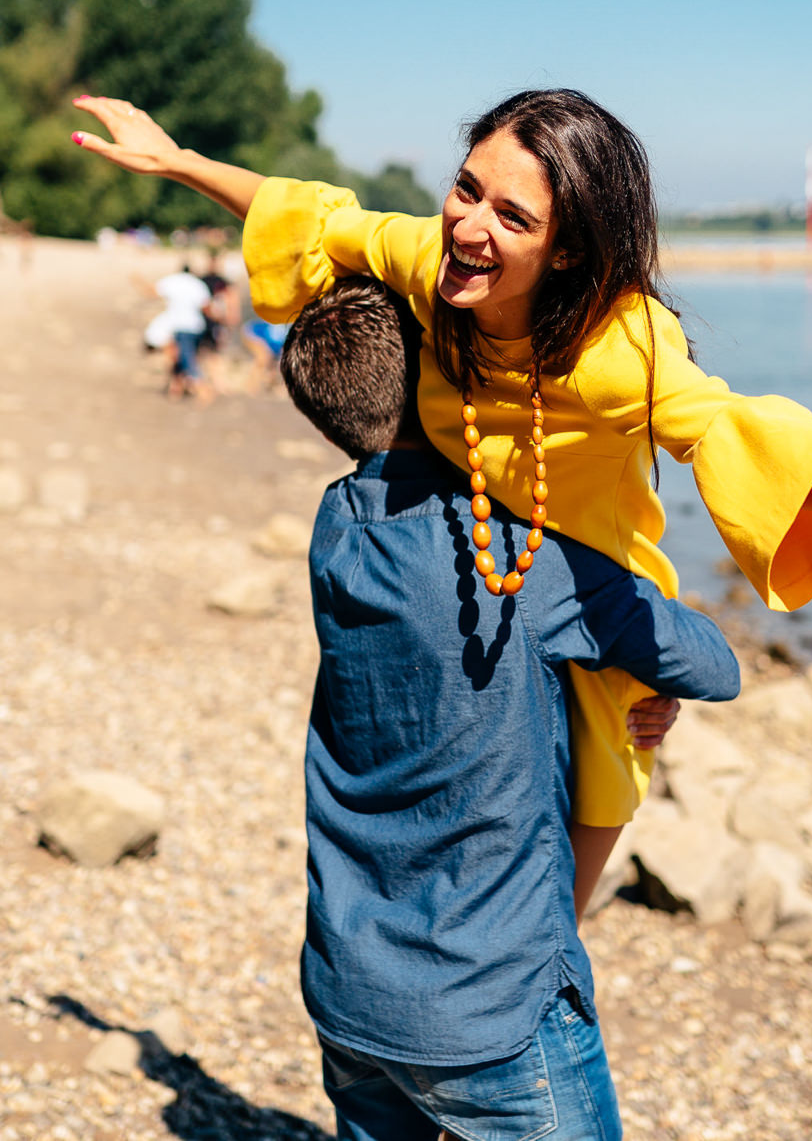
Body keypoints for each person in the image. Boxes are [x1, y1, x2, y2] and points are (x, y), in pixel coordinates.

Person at [69, 89, 812, 910]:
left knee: (545, 919)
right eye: (465, 189)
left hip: (600, 620)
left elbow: (760, 438)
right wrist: (173, 163)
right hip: (475, 578)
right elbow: (308, 214)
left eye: (511, 216)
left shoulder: (619, 346)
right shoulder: (427, 262)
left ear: (568, 253)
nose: (467, 226)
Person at [279, 276, 732, 1141]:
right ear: (439, 381)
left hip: (350, 983)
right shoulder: (512, 562)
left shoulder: (335, 525)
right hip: (491, 1007)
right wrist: (628, 671)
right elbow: (712, 661)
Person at [146, 261, 213, 400]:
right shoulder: (198, 284)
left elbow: (153, 291)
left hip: (179, 327)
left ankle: (203, 392)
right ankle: (175, 390)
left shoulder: (173, 280)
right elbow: (207, 307)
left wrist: (138, 281)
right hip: (196, 326)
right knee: (184, 357)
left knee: (184, 359)